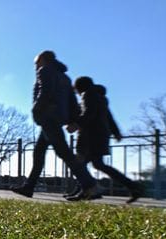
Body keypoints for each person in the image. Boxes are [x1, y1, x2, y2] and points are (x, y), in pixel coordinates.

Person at [11, 50, 100, 200]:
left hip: (48, 117)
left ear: (43, 60)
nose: (35, 65)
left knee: (64, 152)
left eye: (36, 61)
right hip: (57, 118)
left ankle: (90, 185)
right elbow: (72, 102)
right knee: (39, 152)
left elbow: (45, 92)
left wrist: (36, 110)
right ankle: (29, 187)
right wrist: (73, 120)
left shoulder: (45, 70)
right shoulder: (65, 77)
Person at [67, 76, 143, 203]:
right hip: (100, 135)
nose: (77, 92)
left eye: (76, 89)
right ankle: (133, 187)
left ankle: (90, 190)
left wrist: (76, 124)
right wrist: (116, 132)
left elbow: (89, 113)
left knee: (79, 164)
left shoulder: (88, 95)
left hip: (90, 136)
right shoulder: (100, 97)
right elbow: (109, 117)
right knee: (95, 164)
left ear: (81, 87)